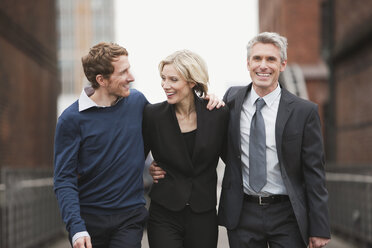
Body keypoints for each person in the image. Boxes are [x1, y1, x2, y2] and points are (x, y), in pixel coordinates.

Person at [54, 42, 223, 248]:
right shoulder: (71, 119)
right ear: (102, 80)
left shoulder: (137, 102)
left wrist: (207, 98)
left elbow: (167, 132)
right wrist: (76, 227)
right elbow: (64, 178)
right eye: (124, 72)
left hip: (130, 217)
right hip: (90, 219)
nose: (131, 77)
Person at [218, 32, 331, 248]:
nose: (263, 66)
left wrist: (320, 227)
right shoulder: (230, 100)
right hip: (242, 212)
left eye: (271, 59)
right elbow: (214, 144)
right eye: (257, 58)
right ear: (248, 63)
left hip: (287, 214)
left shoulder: (304, 111)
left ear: (283, 65)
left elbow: (314, 173)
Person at [142, 50, 229, 248]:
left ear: (192, 82)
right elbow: (135, 157)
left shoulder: (218, 114)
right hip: (164, 212)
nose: (165, 85)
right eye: (163, 78)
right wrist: (149, 168)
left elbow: (233, 159)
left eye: (173, 79)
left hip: (203, 213)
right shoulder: (152, 115)